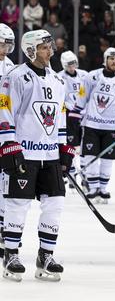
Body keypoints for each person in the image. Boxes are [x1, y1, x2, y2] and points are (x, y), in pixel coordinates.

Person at [0, 29, 75, 282]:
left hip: (50, 154)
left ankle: (46, 254)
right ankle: (11, 253)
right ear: (31, 50)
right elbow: (5, 112)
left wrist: (65, 148)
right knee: (17, 204)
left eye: (50, 46)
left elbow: (60, 116)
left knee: (55, 204)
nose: (50, 50)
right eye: (44, 47)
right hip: (24, 153)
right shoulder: (15, 77)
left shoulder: (58, 80)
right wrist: (8, 145)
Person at [79, 48, 115, 203]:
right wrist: (74, 117)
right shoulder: (92, 77)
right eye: (111, 58)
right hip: (91, 125)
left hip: (111, 127)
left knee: (108, 160)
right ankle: (93, 187)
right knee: (91, 156)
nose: (114, 61)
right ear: (105, 59)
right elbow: (82, 97)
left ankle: (103, 188)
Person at [59, 51, 88, 188]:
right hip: (68, 115)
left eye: (74, 64)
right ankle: (70, 172)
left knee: (84, 145)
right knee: (69, 145)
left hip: (84, 115)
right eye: (69, 65)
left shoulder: (84, 75)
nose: (72, 67)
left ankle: (85, 172)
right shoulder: (59, 77)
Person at [0, 23, 15, 260]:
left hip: (2, 131)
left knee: (4, 180)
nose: (4, 48)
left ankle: (3, 226)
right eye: (1, 43)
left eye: (7, 44)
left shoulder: (11, 67)